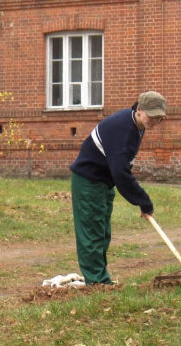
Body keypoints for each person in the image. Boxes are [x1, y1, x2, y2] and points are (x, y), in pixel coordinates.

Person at [69, 91, 167, 285]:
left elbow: (121, 167)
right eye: (152, 116)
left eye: (159, 118)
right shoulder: (122, 127)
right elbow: (121, 173)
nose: (155, 121)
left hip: (104, 181)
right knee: (92, 232)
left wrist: (141, 202)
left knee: (103, 232)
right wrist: (144, 202)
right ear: (139, 110)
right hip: (89, 181)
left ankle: (98, 279)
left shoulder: (137, 125)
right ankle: (98, 283)